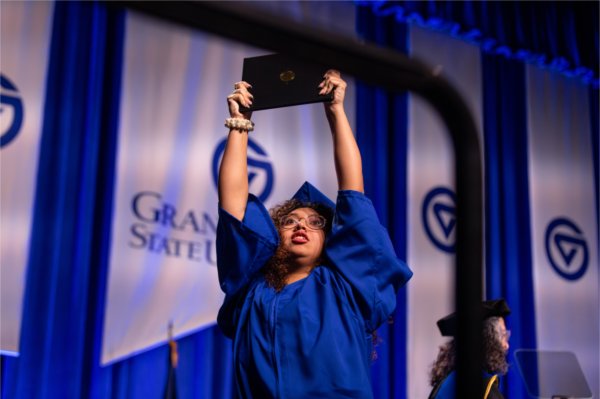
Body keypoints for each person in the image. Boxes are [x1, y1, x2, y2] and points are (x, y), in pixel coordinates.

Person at [216, 70, 413, 398]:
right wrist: (239, 124)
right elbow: (233, 209)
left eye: (315, 222)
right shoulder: (252, 292)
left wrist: (335, 111)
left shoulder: (345, 288)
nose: (301, 226)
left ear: (332, 242)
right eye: (290, 221)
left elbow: (353, 192)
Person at [427, 299, 512, 399]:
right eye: (502, 335)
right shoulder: (477, 383)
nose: (506, 345)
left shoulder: (451, 380)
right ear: (487, 339)